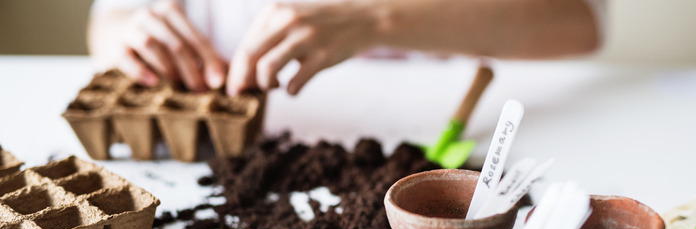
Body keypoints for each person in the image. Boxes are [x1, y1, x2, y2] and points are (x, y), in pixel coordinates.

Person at [88, 0, 606, 96]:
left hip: (425, 125)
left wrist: (376, 19)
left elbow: (576, 19)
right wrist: (130, 34)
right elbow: (106, 23)